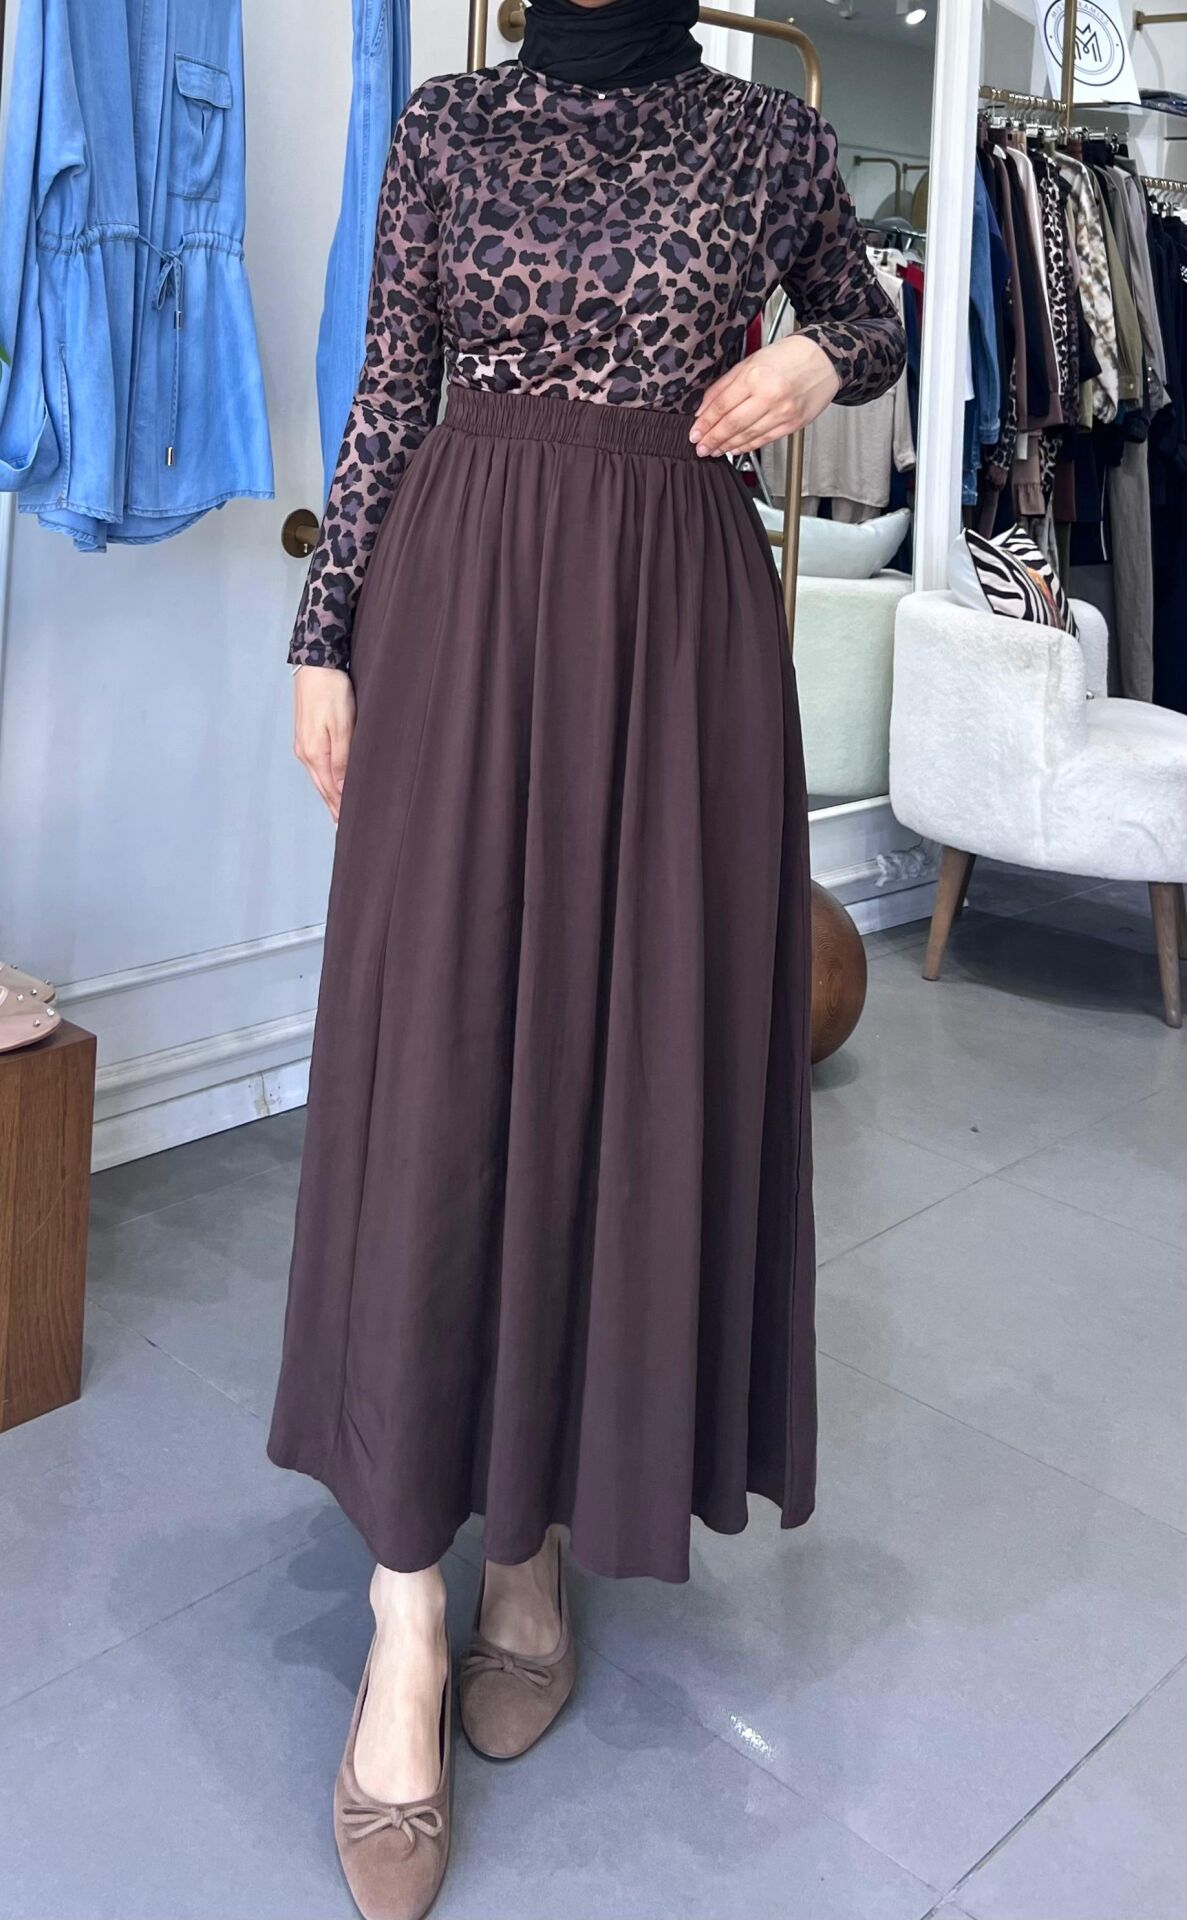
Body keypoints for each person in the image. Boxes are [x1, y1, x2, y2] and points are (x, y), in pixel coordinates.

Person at [269, 2, 905, 1913]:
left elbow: (868, 317)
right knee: (442, 1080)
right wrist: (326, 632)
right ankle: (405, 1619)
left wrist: (810, 357)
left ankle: (529, 1542)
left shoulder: (769, 138)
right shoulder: (449, 125)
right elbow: (391, 382)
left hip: (674, 637)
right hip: (464, 608)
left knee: (612, 1075)